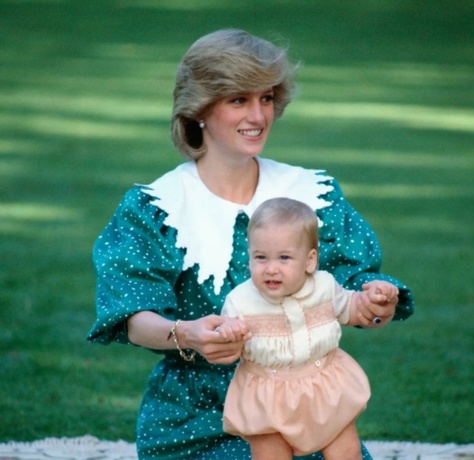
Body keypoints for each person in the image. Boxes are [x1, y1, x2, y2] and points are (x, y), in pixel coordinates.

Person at [87, 29, 414, 460]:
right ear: (199, 110)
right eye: (239, 100)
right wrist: (187, 334)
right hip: (197, 416)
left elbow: (356, 287)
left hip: (304, 412)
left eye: (266, 98)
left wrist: (375, 303)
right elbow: (132, 315)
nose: (258, 115)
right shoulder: (157, 208)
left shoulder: (311, 195)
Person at [218, 197, 399, 460]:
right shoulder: (240, 302)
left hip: (324, 386)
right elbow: (226, 347)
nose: (271, 268)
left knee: (346, 452)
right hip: (266, 394)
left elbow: (352, 309)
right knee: (270, 454)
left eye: (284, 258)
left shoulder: (324, 287)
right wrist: (228, 334)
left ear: (309, 261)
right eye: (260, 257)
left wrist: (372, 299)